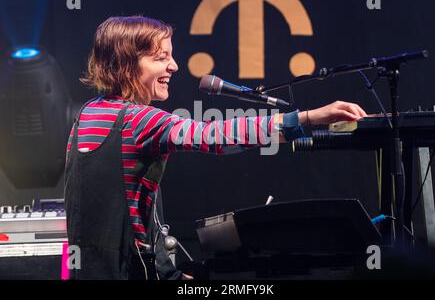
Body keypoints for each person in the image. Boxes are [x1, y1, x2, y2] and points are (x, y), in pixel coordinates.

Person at [64, 15, 367, 280]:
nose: (174, 65)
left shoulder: (88, 113)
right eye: (160, 58)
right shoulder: (139, 120)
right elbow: (215, 136)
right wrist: (307, 117)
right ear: (125, 64)